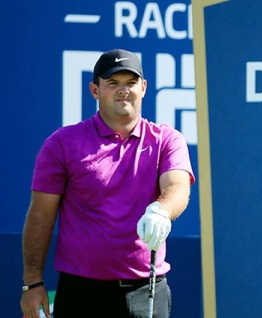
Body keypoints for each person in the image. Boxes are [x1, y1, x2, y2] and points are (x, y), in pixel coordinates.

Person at [20, 49, 196, 318]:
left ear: (144, 88)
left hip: (146, 290)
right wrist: (33, 282)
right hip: (82, 293)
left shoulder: (166, 140)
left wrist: (161, 210)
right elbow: (41, 215)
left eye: (131, 83)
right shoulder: (62, 143)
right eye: (113, 83)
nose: (123, 90)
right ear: (95, 90)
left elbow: (178, 187)